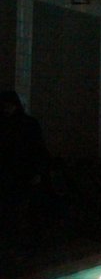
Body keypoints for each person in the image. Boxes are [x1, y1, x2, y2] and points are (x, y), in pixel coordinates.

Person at [0, 90, 49, 239]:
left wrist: (37, 172)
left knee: (19, 212)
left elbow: (38, 149)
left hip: (22, 175)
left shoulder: (27, 124)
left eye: (9, 105)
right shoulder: (23, 123)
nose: (6, 109)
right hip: (8, 175)